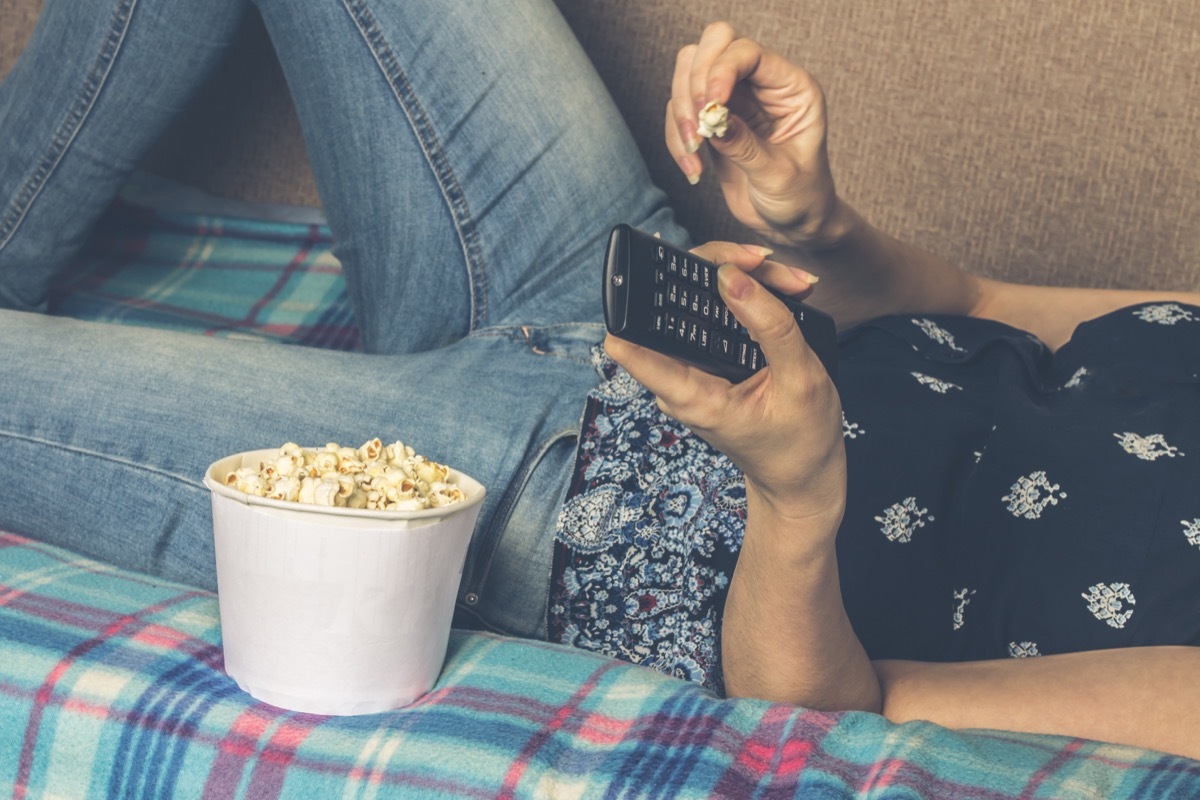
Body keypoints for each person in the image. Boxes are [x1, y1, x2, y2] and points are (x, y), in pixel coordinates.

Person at [0, 0, 1196, 761]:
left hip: (547, 512)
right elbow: (980, 309)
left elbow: (836, 720)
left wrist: (796, 490)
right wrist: (819, 220)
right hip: (623, 283)